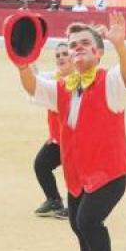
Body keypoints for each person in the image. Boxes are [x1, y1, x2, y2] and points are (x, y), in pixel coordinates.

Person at [16, 12, 126, 251]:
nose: (77, 47)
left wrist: (120, 45)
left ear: (98, 52)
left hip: (109, 173)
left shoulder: (110, 83)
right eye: (73, 45)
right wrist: (22, 65)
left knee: (88, 220)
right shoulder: (63, 87)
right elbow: (33, 86)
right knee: (75, 221)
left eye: (85, 43)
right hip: (77, 173)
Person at [31, 42, 75, 219]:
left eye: (65, 54)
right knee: (41, 164)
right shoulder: (53, 78)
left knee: (76, 176)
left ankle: (76, 209)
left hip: (76, 140)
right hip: (58, 139)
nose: (61, 58)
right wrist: (26, 57)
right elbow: (35, 79)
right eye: (58, 55)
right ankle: (54, 199)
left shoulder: (81, 80)